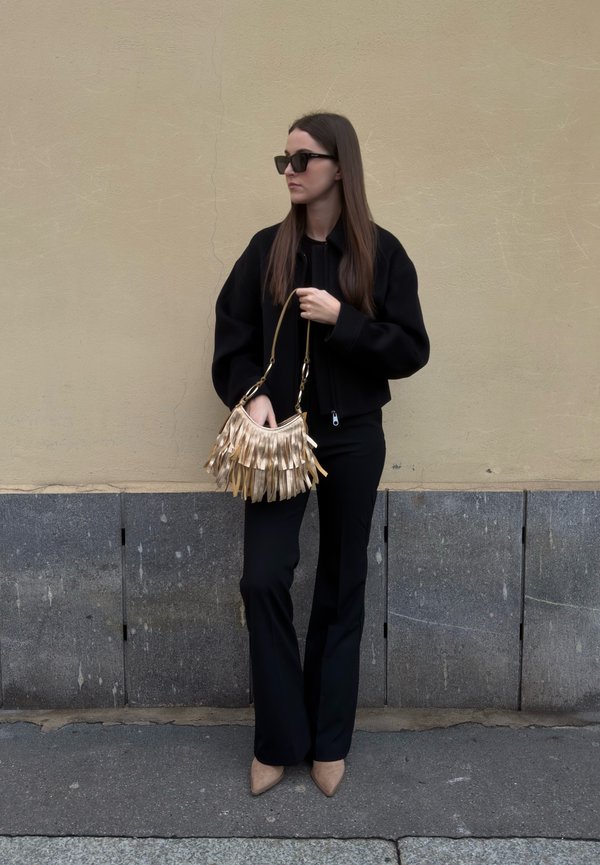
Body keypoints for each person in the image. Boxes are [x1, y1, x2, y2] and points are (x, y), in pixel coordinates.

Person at [211, 112, 429, 797]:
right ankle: (279, 738)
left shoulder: (381, 253)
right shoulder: (265, 250)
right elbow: (233, 336)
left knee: (341, 584)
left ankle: (329, 738)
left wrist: (347, 323)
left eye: (302, 159)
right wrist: (252, 396)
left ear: (341, 166)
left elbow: (411, 347)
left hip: (354, 432)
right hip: (280, 443)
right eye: (284, 161)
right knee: (263, 577)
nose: (290, 171)